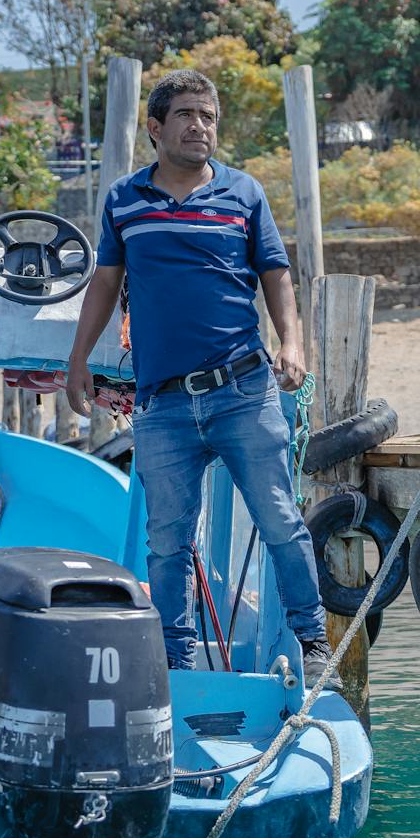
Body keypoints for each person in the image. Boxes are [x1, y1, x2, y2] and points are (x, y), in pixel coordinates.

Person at [65, 68, 331, 681]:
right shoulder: (125, 200)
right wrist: (79, 359)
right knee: (167, 544)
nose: (199, 126)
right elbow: (105, 281)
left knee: (280, 522)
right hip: (162, 404)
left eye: (208, 116)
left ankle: (313, 643)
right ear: (155, 128)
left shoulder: (245, 194)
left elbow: (276, 273)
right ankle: (175, 665)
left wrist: (291, 341)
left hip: (243, 392)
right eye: (186, 115)